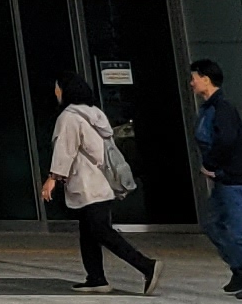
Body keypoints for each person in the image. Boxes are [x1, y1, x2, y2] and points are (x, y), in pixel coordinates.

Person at [43, 76, 161, 292]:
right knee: (89, 231)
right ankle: (96, 277)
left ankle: (146, 265)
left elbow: (65, 150)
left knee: (101, 231)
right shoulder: (95, 114)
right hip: (102, 182)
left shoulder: (69, 117)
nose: (56, 92)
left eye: (58, 88)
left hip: (87, 184)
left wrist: (53, 178)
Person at [186, 61, 242, 299]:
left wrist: (210, 165)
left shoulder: (222, 109)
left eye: (194, 78)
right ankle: (241, 270)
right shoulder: (209, 108)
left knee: (239, 229)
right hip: (225, 180)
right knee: (213, 224)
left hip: (233, 179)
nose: (192, 83)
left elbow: (226, 140)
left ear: (206, 79)